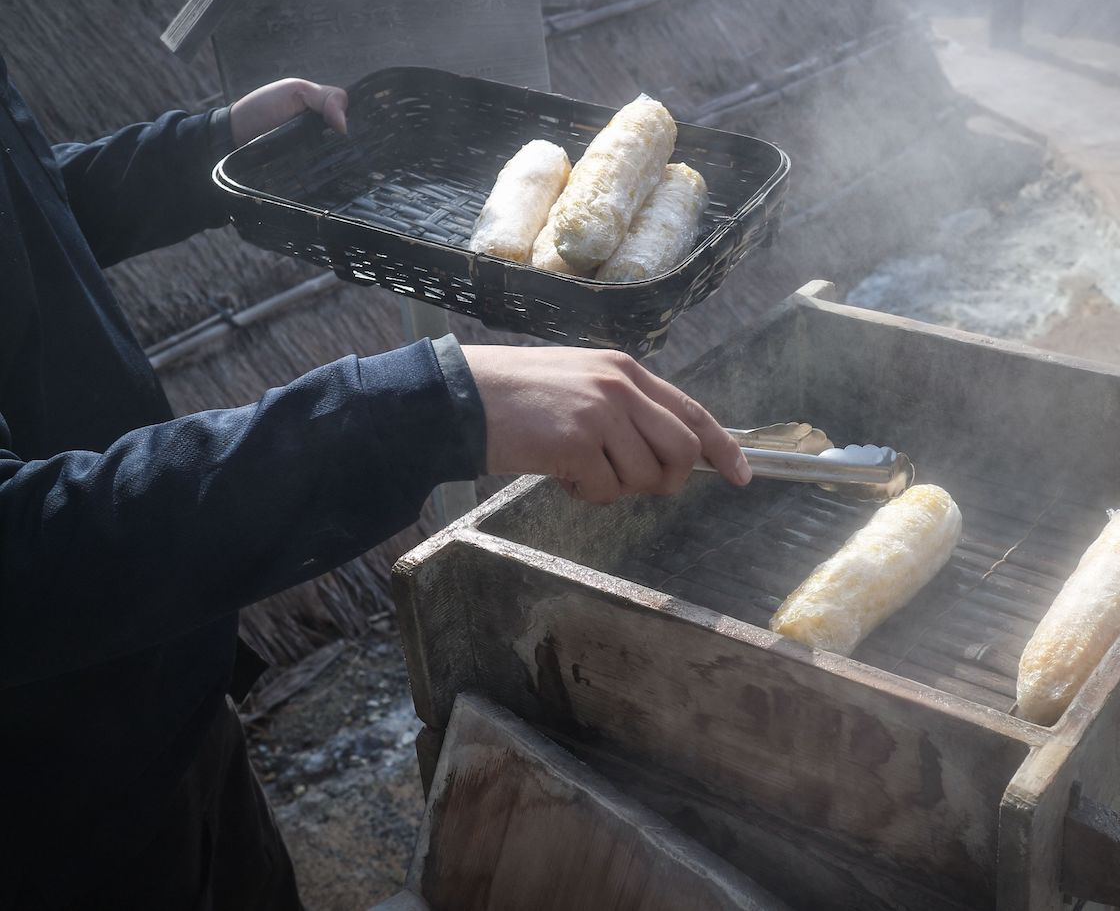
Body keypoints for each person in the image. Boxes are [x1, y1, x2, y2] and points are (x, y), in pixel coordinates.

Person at [0, 55, 751, 910]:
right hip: (44, 804)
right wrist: (424, 409)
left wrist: (199, 152)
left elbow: (27, 217)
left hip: (160, 680)